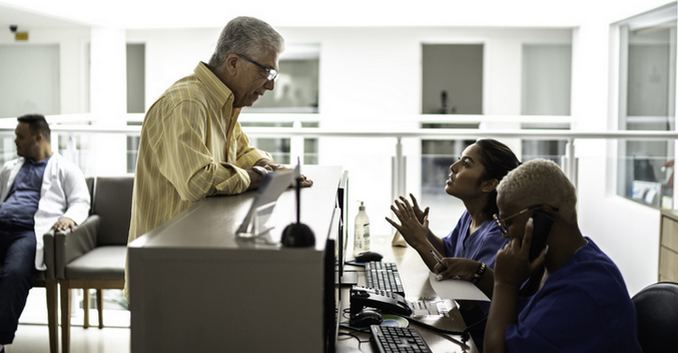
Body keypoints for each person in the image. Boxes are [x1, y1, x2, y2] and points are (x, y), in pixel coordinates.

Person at [128, 16, 312, 247]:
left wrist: (274, 168)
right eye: (266, 71)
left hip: (198, 251)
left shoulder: (223, 103)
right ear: (233, 63)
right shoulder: (186, 103)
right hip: (166, 266)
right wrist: (261, 177)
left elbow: (243, 154)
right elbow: (197, 181)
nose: (270, 85)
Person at [485, 159, 641, 353]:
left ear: (543, 215)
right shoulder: (566, 262)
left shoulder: (582, 290)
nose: (505, 233)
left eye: (507, 222)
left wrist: (505, 284)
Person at [0, 114, 90, 352]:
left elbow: (81, 200)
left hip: (28, 233)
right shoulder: (10, 168)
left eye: (21, 137)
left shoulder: (66, 169)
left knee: (15, 273)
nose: (16, 142)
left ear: (38, 138)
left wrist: (69, 217)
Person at [386, 139, 520, 297]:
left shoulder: (496, 234)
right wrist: (425, 232)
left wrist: (419, 241)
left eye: (467, 163)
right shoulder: (470, 216)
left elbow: (466, 297)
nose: (453, 167)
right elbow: (447, 252)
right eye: (459, 160)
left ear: (488, 184)